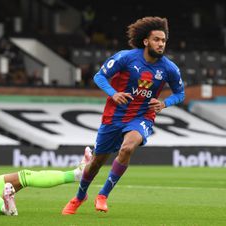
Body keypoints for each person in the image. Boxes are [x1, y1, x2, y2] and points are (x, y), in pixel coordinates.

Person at [62, 16, 185, 215]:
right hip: (114, 117)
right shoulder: (126, 57)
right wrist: (114, 93)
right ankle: (80, 196)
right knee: (95, 163)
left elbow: (180, 93)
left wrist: (164, 103)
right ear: (146, 41)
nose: (161, 44)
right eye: (156, 39)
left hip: (142, 116)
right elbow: (99, 76)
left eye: (163, 40)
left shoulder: (169, 68)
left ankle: (103, 195)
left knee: (127, 148)